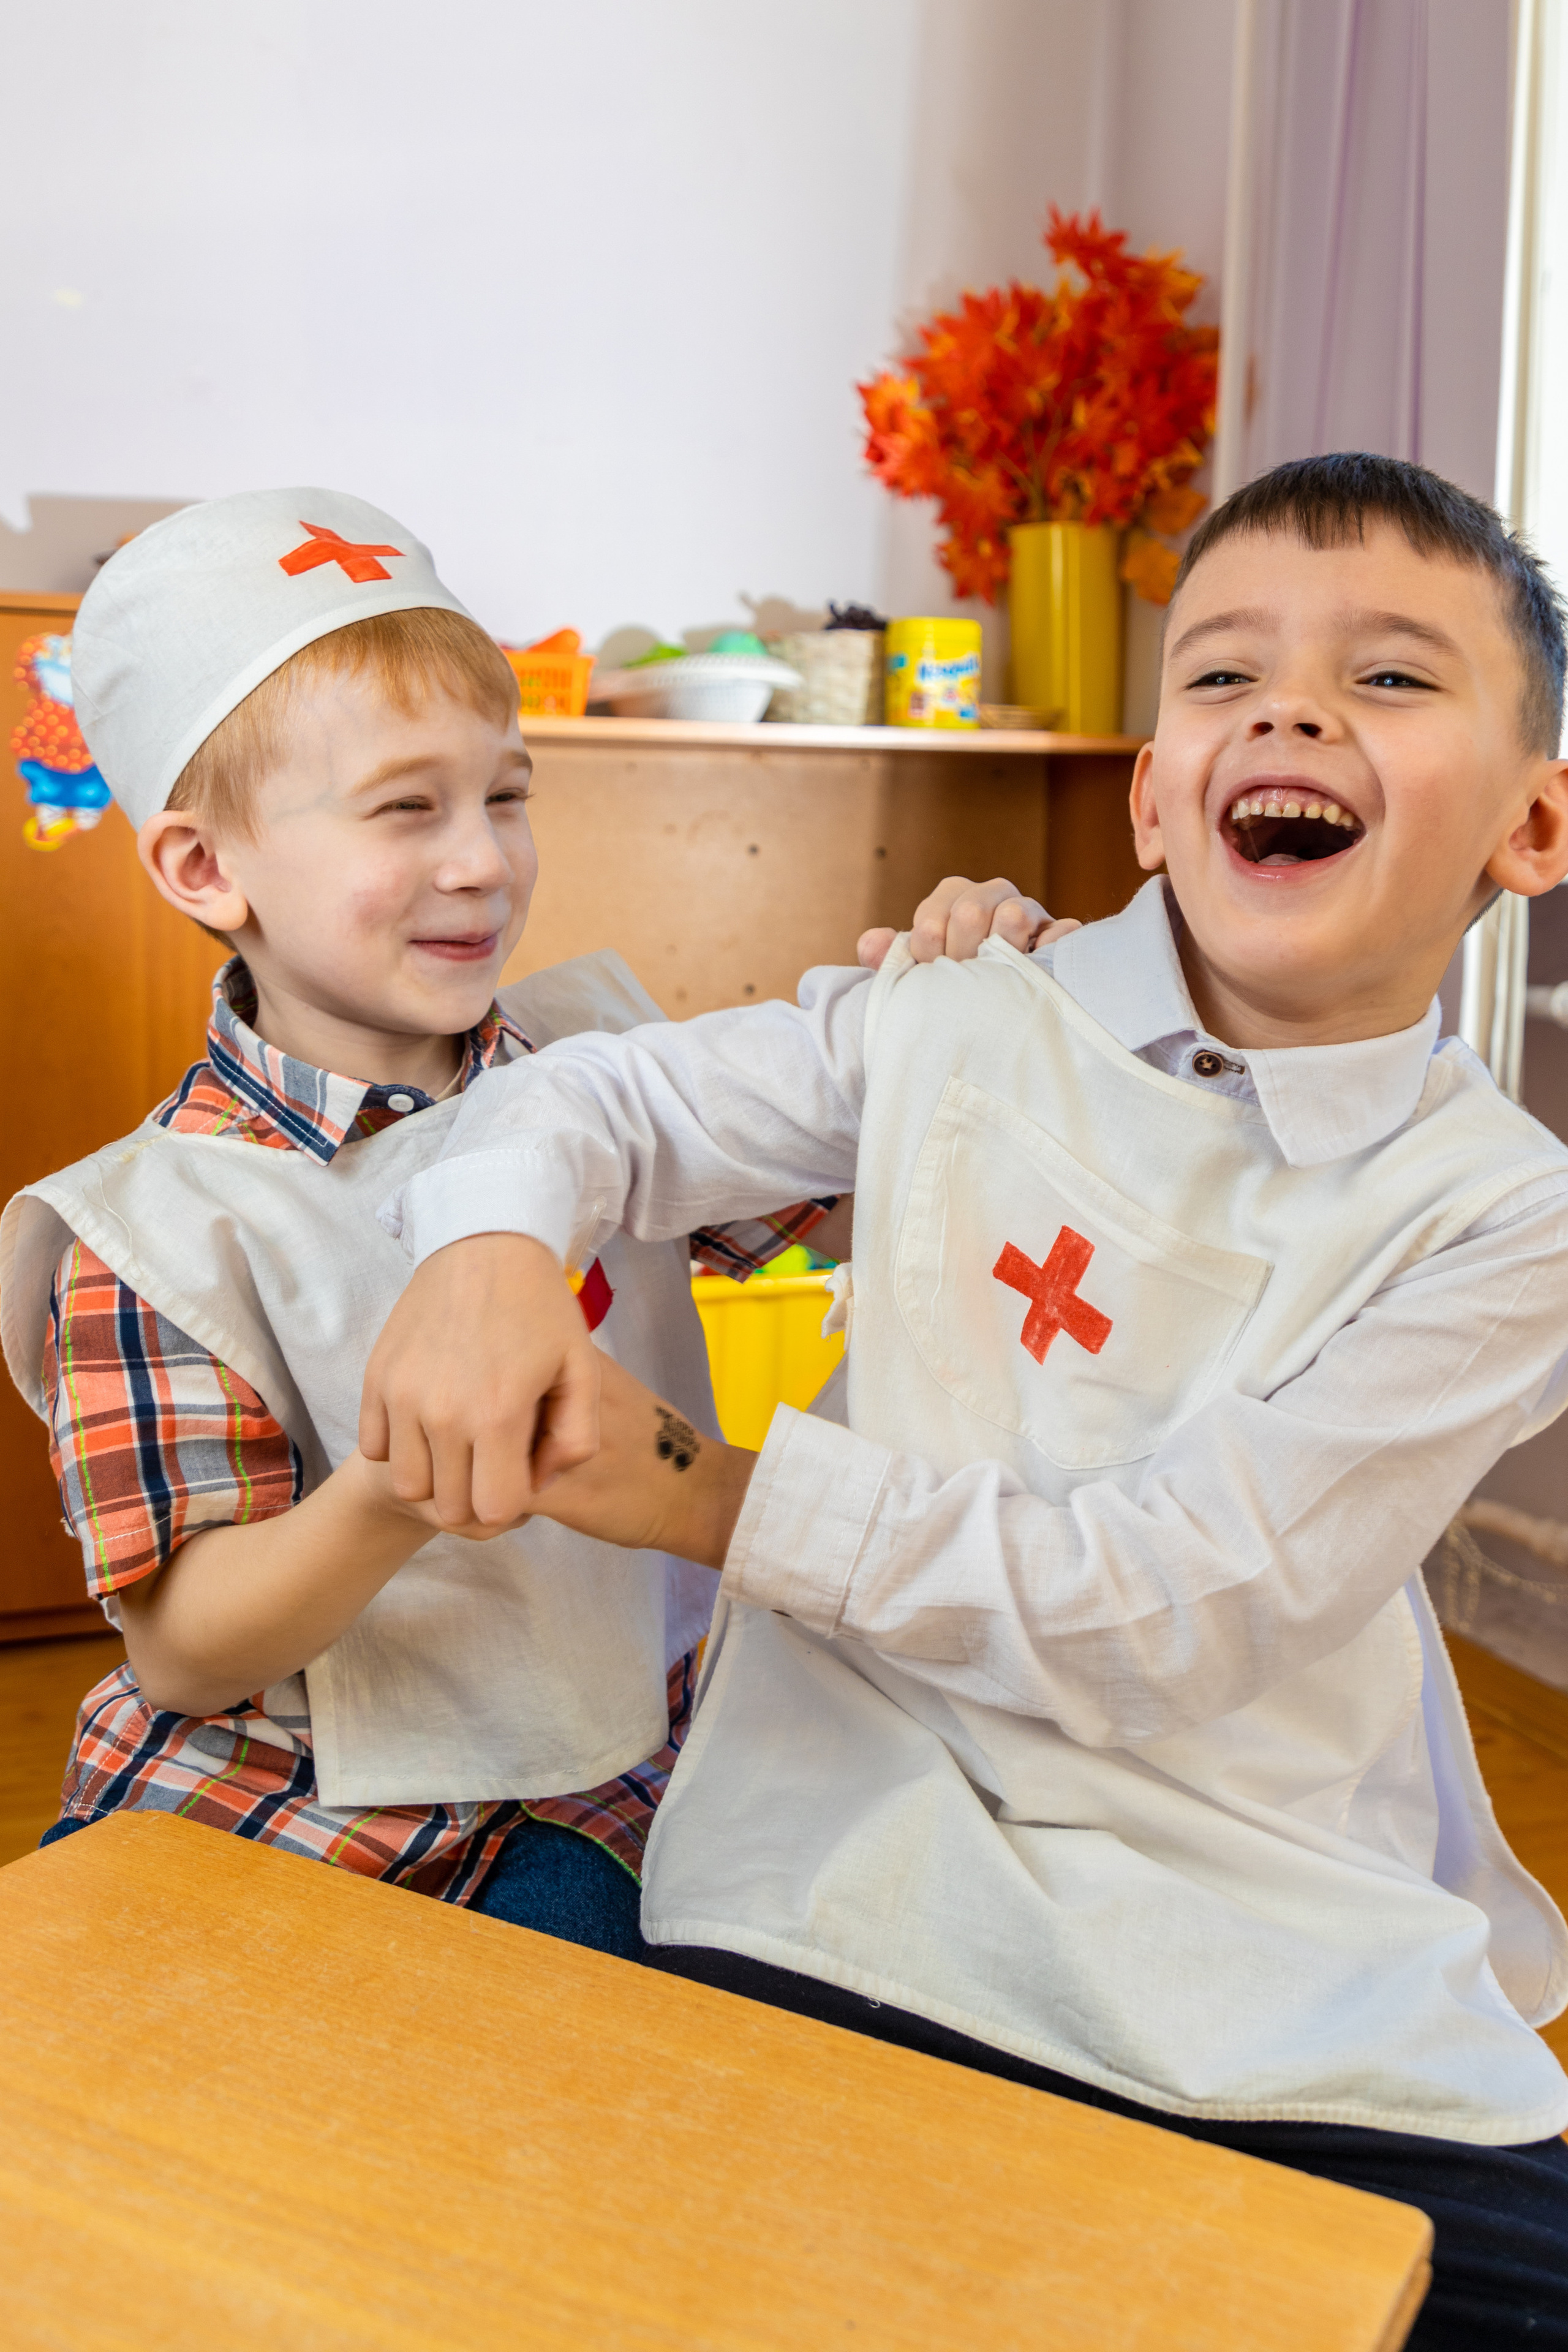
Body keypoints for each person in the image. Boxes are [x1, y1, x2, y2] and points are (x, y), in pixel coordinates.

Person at [361, 454, 1568, 2345]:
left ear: (1537, 822)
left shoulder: (1503, 1213)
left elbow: (1173, 1603)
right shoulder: (953, 1014)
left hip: (1267, 1945)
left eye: (1397, 679)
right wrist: (487, 1254)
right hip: (863, 1884)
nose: (1298, 707)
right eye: (1225, 673)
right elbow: (596, 1099)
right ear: (1159, 792)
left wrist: (705, 1495)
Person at [0, 484, 868, 1954]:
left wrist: (957, 1008)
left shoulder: (602, 1062)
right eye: (408, 808)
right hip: (281, 1815)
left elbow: (850, 1219)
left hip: (592, 1795)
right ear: (206, 867)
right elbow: (186, 1648)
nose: (481, 859)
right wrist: (399, 1490)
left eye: (505, 794)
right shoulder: (146, 1226)